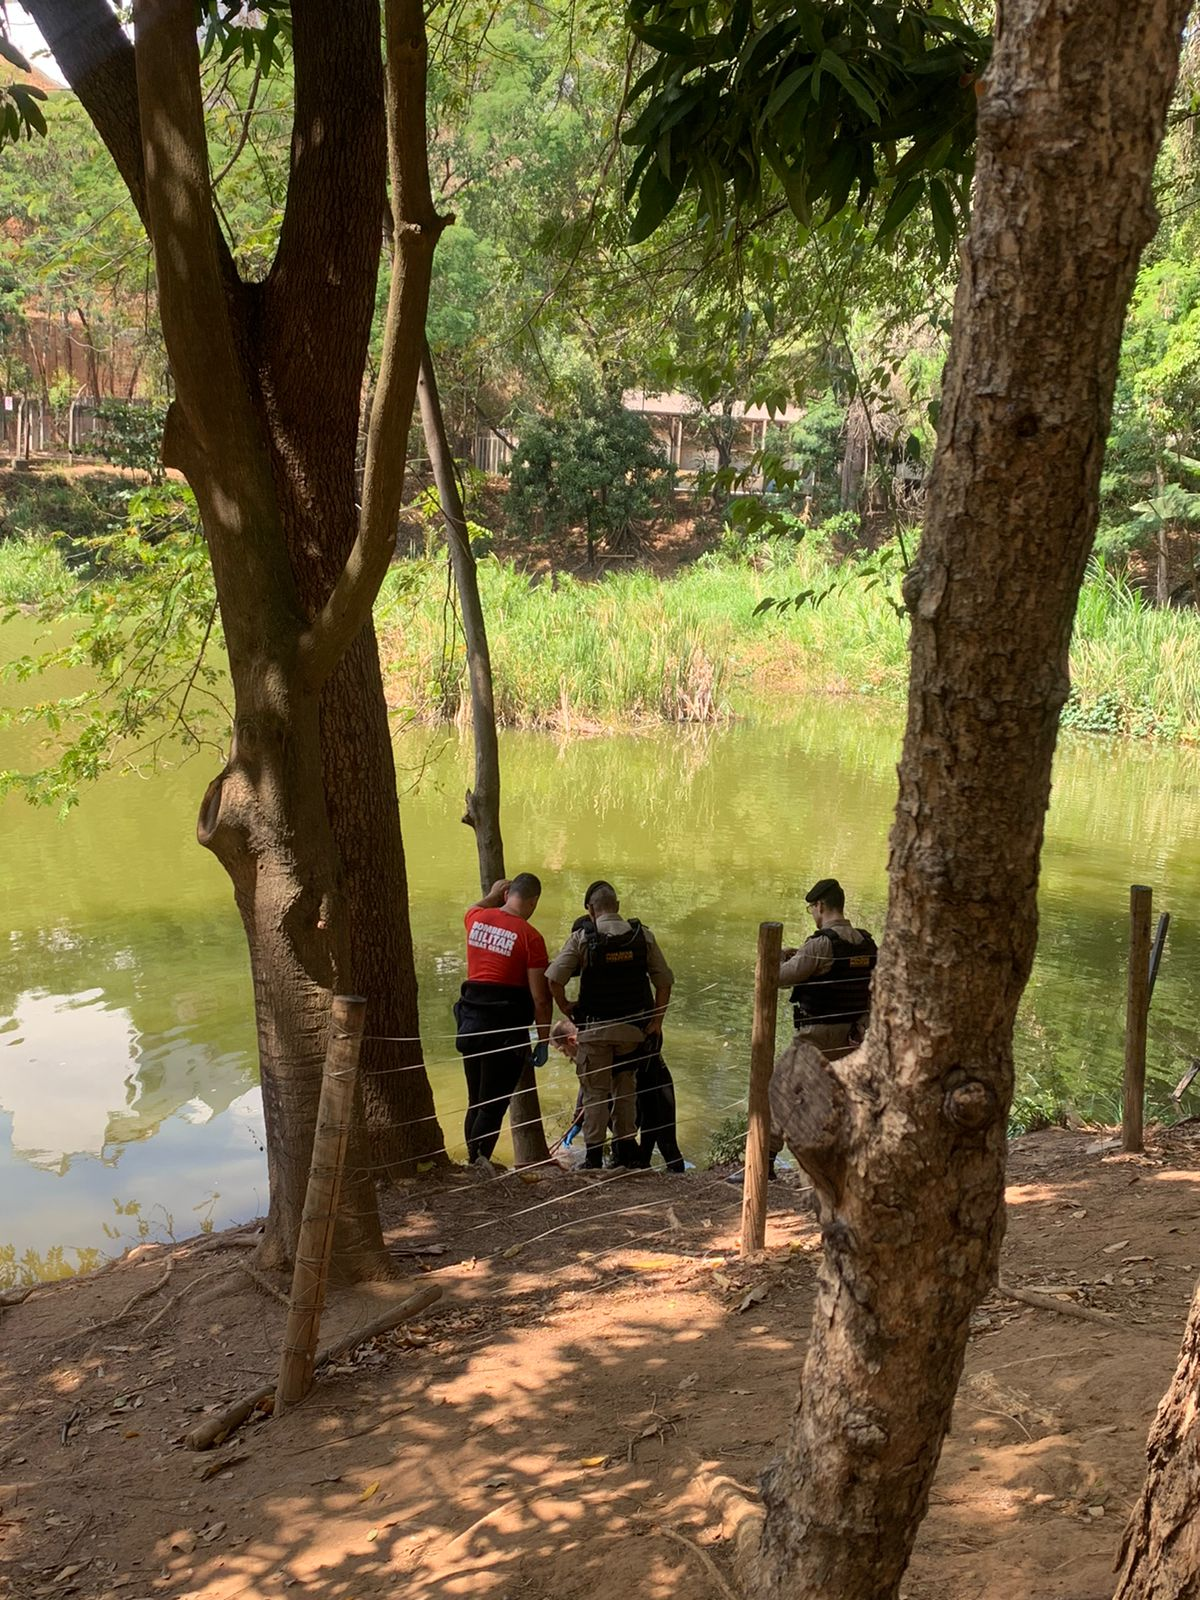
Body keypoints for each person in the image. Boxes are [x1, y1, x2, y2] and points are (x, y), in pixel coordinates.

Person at [546, 880, 673, 1171]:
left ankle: (592, 1158)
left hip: (595, 1031)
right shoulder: (643, 937)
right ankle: (624, 1151)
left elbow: (554, 979)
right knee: (625, 1088)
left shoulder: (582, 938)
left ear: (591, 910)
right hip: (632, 1032)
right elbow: (664, 982)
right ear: (616, 906)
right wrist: (656, 1021)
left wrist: (565, 1005)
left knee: (595, 1093)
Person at [768, 875, 877, 1172]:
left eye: (812, 909)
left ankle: (762, 1163)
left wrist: (776, 956)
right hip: (851, 1038)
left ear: (819, 906)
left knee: (780, 1093)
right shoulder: (867, 944)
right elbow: (874, 991)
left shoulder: (821, 945)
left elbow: (776, 977)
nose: (813, 915)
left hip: (815, 1038)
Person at [453, 873, 551, 1172]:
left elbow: (471, 907)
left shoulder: (477, 918)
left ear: (508, 894)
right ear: (533, 902)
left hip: (470, 1023)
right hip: (505, 1031)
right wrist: (543, 1040)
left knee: (476, 1099)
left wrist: (494, 894)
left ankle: (473, 1160)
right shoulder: (530, 937)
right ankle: (478, 1162)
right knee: (494, 1104)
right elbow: (540, 998)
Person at [550, 1015, 685, 1173]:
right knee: (616, 1127)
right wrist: (577, 1121)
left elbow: (650, 1109)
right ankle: (629, 1161)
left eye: (563, 1050)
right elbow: (589, 1088)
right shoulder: (593, 1053)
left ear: (572, 1040)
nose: (565, 1056)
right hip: (632, 1094)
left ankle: (670, 1175)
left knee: (667, 1143)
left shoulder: (607, 1045)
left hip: (653, 1084)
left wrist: (644, 1155)